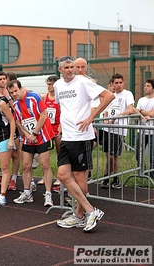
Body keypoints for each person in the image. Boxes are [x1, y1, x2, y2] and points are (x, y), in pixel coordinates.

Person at [54, 56, 114, 232]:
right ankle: (89, 211)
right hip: (67, 137)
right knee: (63, 175)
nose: (71, 70)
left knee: (80, 177)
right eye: (67, 67)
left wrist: (91, 118)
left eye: (72, 67)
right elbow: (63, 107)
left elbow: (108, 95)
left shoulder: (83, 82)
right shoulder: (58, 85)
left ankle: (81, 215)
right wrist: (60, 124)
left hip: (81, 137)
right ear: (60, 70)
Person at [7, 80, 55, 207]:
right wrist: (27, 135)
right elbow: (17, 122)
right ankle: (27, 192)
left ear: (21, 88)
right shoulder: (15, 104)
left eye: (16, 91)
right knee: (26, 165)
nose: (14, 94)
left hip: (43, 136)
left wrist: (34, 133)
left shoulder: (34, 97)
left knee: (45, 165)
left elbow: (43, 115)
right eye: (11, 93)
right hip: (28, 137)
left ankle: (48, 194)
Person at [100, 73, 135, 189]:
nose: (118, 85)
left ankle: (113, 178)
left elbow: (130, 110)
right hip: (107, 129)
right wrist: (106, 119)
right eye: (116, 83)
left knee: (113, 155)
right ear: (112, 84)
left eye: (120, 82)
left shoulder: (127, 94)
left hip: (118, 130)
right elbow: (106, 110)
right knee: (108, 155)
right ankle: (108, 178)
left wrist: (117, 117)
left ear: (123, 83)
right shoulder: (111, 95)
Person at [39, 75, 62, 189]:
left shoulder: (59, 98)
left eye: (52, 84)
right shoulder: (44, 97)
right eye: (48, 84)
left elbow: (63, 113)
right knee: (45, 154)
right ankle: (46, 176)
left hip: (57, 128)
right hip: (47, 130)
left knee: (60, 153)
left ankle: (60, 176)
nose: (49, 86)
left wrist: (61, 127)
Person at [134, 78, 154, 180]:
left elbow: (152, 114)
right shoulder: (141, 99)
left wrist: (141, 111)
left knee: (152, 156)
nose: (145, 87)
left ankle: (152, 176)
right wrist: (142, 112)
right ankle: (143, 174)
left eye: (148, 86)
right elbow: (135, 112)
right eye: (145, 85)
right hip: (141, 131)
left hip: (152, 132)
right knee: (138, 154)